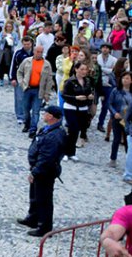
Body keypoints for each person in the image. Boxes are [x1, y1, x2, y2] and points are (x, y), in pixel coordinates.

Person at [17, 106, 66, 237]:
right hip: (39, 168)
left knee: (44, 199)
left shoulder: (55, 135)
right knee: (35, 195)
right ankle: (33, 218)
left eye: (46, 113)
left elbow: (47, 158)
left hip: (45, 171)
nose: (44, 115)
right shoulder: (47, 129)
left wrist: (35, 172)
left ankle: (44, 227)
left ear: (51, 116)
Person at [17, 46, 55, 138]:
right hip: (27, 88)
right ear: (34, 51)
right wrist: (22, 83)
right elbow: (19, 72)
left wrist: (47, 93)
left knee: (36, 110)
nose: (39, 54)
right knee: (26, 109)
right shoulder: (27, 61)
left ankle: (33, 129)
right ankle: (27, 123)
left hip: (39, 90)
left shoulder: (46, 64)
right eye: (37, 51)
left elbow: (49, 80)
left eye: (41, 52)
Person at [61, 62, 94, 162]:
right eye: (82, 69)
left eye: (85, 69)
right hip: (70, 107)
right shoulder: (70, 81)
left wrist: (90, 97)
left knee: (77, 130)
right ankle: (65, 152)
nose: (84, 72)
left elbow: (89, 92)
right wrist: (75, 97)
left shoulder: (87, 81)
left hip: (83, 108)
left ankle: (72, 152)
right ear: (76, 69)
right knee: (72, 129)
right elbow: (64, 95)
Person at [109, 72, 132, 169]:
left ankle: (129, 160)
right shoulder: (116, 91)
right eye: (123, 78)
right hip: (117, 118)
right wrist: (114, 113)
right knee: (116, 139)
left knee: (128, 141)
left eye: (127, 78)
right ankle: (113, 158)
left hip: (128, 120)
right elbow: (110, 103)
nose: (124, 80)